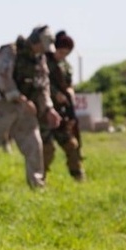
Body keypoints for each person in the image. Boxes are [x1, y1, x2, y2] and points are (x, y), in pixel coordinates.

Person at [0, 26, 62, 189]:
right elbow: (4, 79)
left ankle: (37, 185)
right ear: (34, 40)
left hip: (25, 109)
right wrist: (21, 99)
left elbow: (43, 86)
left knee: (34, 146)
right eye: (41, 45)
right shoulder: (10, 51)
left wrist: (49, 108)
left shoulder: (40, 59)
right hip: (2, 106)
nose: (43, 50)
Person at [43, 30, 85, 181]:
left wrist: (69, 91)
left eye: (66, 53)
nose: (62, 56)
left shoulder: (65, 65)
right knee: (47, 150)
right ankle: (39, 180)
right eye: (61, 52)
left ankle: (79, 177)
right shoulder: (43, 62)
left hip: (62, 113)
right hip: (45, 112)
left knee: (72, 146)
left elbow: (68, 83)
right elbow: (41, 84)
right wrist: (55, 94)